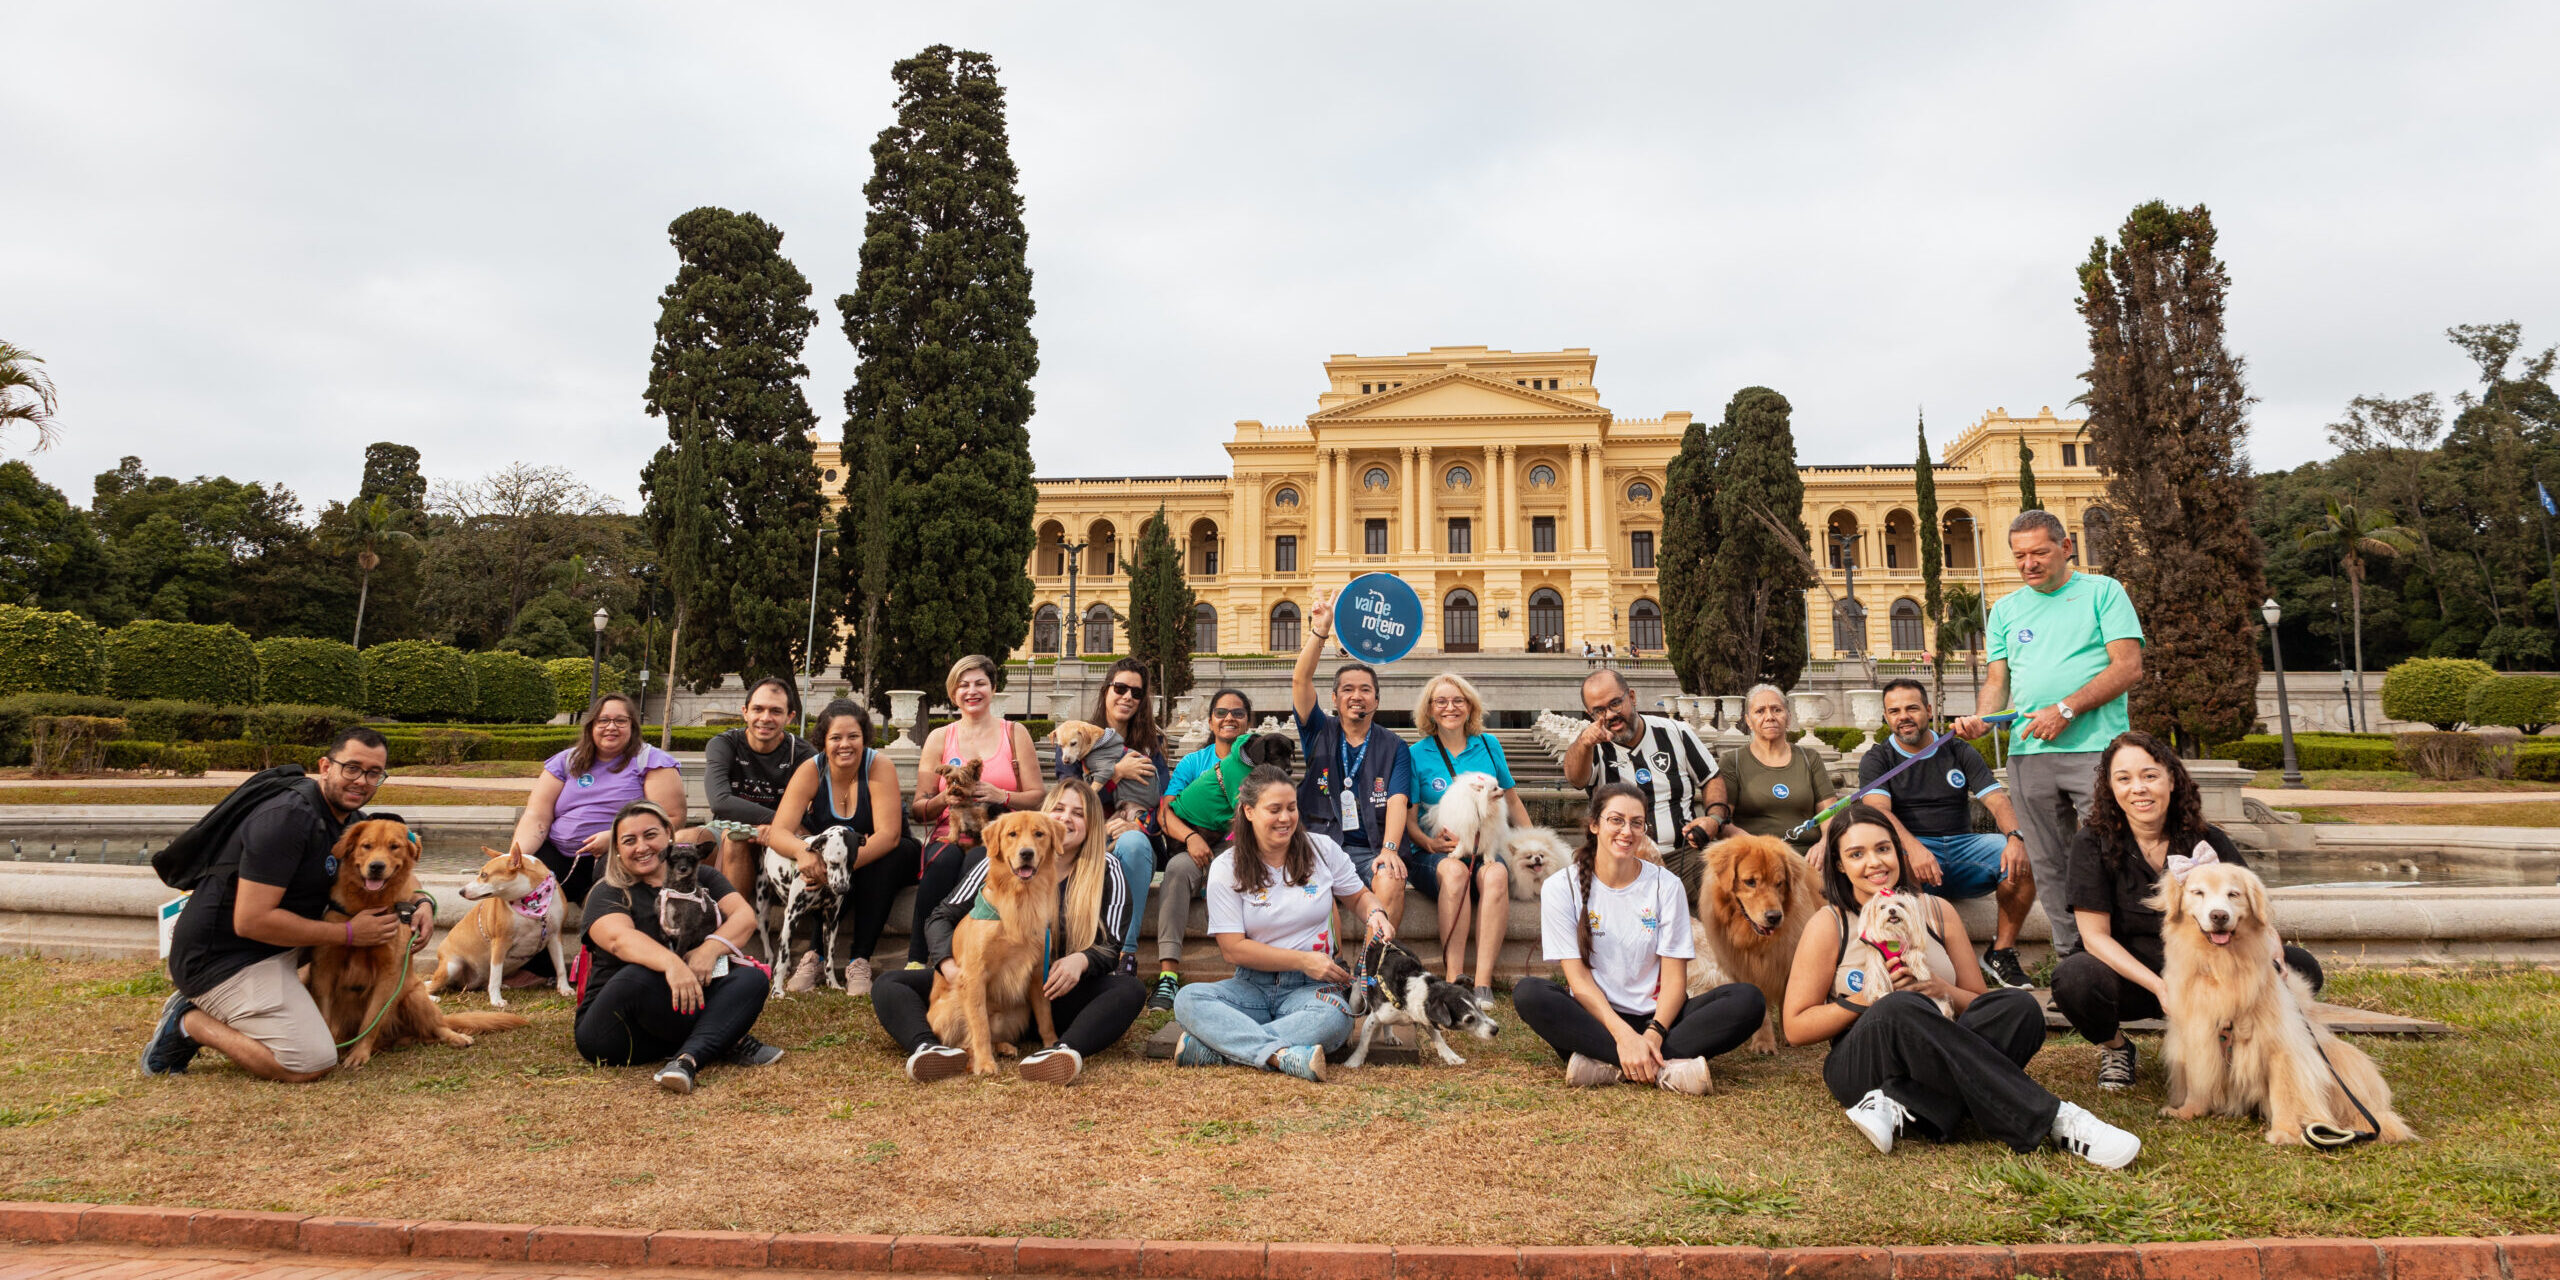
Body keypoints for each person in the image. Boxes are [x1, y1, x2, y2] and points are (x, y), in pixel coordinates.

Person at [1782, 803, 2139, 1169]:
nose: (1874, 862)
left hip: (1935, 1047)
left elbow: (1980, 1003)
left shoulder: (1937, 911)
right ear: (1840, 865)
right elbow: (1795, 1028)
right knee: (1899, 1007)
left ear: (1898, 852)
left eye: (1882, 848)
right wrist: (1865, 998)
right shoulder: (1829, 923)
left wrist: (1940, 989)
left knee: (2019, 1009)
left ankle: (1906, 1104)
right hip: (1863, 1062)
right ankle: (2056, 1120)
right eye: (1856, 854)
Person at [143, 727, 432, 1080]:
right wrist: (349, 935)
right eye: (352, 768)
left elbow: (397, 871)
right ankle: (189, 1022)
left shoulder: (349, 821)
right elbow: (250, 921)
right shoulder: (286, 819)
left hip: (282, 950)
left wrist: (422, 902)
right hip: (225, 958)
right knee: (309, 1061)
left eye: (374, 773)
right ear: (325, 766)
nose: (361, 781)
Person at [2050, 731, 2326, 1092]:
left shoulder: (2207, 838)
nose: (2139, 789)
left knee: (2300, 966)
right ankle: (2116, 1049)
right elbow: (2094, 936)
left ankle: (2233, 1044)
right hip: (2134, 976)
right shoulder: (2091, 843)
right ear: (2110, 789)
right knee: (2074, 980)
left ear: (2171, 779)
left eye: (2150, 776)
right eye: (2124, 779)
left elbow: (2250, 911)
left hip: (2207, 971)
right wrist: (2162, 987)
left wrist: (2272, 945)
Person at [1951, 509, 2145, 955]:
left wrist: (2066, 709)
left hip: (2097, 751)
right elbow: (1997, 682)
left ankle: (2131, 954)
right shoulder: (2005, 609)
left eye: (2039, 552)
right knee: (2047, 863)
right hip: (2028, 755)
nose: (2029, 564)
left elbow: (2129, 667)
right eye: (2020, 555)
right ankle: (2073, 962)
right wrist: (1982, 718)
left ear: (2066, 548)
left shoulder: (2104, 593)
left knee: (2116, 852)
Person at [875, 779, 1146, 1085]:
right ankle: (929, 1048)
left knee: (1130, 990)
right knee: (889, 983)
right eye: (1059, 808)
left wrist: (1081, 960)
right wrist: (948, 966)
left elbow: (1112, 946)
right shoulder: (997, 860)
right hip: (986, 989)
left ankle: (1061, 1052)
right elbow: (941, 916)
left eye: (1078, 813)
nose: (1066, 818)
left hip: (1056, 994)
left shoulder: (1106, 869)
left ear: (1092, 823)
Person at [1510, 784, 1766, 1094]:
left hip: (1659, 1020)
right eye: (1615, 820)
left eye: (1636, 823)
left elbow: (1674, 980)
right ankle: (1665, 1068)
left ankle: (1605, 1066)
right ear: (1594, 825)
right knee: (1530, 992)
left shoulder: (1665, 885)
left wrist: (1653, 1034)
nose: (1626, 831)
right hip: (1596, 1020)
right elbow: (1577, 980)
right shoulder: (1561, 886)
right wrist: (1623, 1037)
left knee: (1748, 1000)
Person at [1170, 764, 1395, 1082]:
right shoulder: (1227, 867)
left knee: (1335, 1020)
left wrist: (1376, 913)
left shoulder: (1322, 849)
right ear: (1248, 811)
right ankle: (1280, 1055)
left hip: (1312, 990)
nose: (1286, 818)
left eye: (1291, 808)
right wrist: (1304, 960)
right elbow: (1233, 950)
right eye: (1274, 809)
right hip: (1250, 986)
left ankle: (1217, 1049)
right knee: (1188, 1000)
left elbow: (1359, 898)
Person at [1840, 678, 2037, 991]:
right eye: (1894, 711)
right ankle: (1921, 959)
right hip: (1913, 849)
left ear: (1928, 710)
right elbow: (1880, 813)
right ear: (1886, 717)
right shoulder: (1878, 759)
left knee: (2020, 858)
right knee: (1896, 858)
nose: (1903, 716)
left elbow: (1997, 799)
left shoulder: (1957, 750)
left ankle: (2001, 952)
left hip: (1962, 848)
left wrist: (2015, 837)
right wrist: (1915, 848)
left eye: (1912, 708)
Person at [572, 801, 780, 1092]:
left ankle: (687, 1059)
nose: (642, 847)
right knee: (639, 974)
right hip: (616, 1030)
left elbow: (744, 918)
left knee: (752, 978)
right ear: (617, 850)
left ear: (669, 836)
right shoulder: (608, 891)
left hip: (674, 1018)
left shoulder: (704, 878)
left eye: (650, 835)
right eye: (629, 841)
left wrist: (709, 949)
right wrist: (672, 964)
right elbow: (620, 940)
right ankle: (727, 1038)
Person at [763, 699, 919, 996]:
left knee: (878, 860)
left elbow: (888, 835)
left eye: (853, 737)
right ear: (823, 740)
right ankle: (815, 958)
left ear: (865, 738)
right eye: (835, 737)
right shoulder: (811, 770)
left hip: (890, 856)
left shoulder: (879, 765)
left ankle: (859, 960)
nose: (844, 745)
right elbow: (779, 832)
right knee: (824, 860)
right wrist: (802, 853)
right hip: (836, 861)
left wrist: (834, 870)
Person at [1290, 589, 1416, 944]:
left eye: (1365, 689)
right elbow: (1301, 681)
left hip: (1370, 848)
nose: (1356, 695)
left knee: (1391, 877)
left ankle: (1369, 972)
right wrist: (1320, 631)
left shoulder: (1394, 746)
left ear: (1377, 699)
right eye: (1347, 689)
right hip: (1320, 842)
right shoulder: (1318, 730)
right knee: (1315, 886)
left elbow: (1397, 801)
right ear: (1334, 698)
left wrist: (1390, 849)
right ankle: (1333, 971)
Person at [906, 654, 1045, 969]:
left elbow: (1037, 797)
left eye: (980, 683)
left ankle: (964, 955)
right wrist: (944, 799)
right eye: (963, 685)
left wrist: (1002, 795)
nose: (972, 691)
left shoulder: (1014, 733)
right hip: (949, 832)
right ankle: (916, 958)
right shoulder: (940, 738)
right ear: (953, 693)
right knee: (940, 864)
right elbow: (919, 809)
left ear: (993, 688)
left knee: (974, 862)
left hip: (998, 836)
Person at [509, 694, 685, 938]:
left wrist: (615, 838)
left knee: (608, 893)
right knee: (519, 882)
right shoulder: (566, 761)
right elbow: (536, 817)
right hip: (561, 852)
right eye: (603, 720)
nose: (611, 727)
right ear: (591, 725)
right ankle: (529, 966)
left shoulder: (651, 761)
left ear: (633, 726)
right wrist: (516, 857)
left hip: (617, 855)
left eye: (620, 721)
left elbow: (672, 818)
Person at [1406, 672, 1525, 1002]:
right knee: (1456, 871)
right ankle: (1454, 979)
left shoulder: (1488, 745)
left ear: (1471, 707)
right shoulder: (1416, 754)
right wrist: (1428, 843)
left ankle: (1483, 983)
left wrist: (1527, 844)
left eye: (1458, 701)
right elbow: (1409, 817)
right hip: (1435, 854)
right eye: (1441, 701)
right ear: (1429, 710)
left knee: (1497, 873)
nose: (1450, 708)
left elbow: (1510, 799)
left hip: (1482, 847)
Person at [1562, 668, 1725, 901]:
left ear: (1632, 697)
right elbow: (1575, 778)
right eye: (1598, 711)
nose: (1608, 715)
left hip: (1682, 856)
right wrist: (1584, 743)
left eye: (1615, 703)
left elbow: (1711, 778)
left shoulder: (1675, 732)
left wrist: (1714, 819)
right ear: (1589, 714)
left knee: (1724, 887)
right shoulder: (1592, 746)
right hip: (1622, 860)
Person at [1055, 656, 1170, 966]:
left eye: (1137, 692)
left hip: (1137, 837)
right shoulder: (1073, 738)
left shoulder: (1151, 744)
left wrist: (1139, 826)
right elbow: (1070, 797)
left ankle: (1124, 954)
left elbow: (1163, 803)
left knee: (1132, 844)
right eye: (1120, 688)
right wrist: (1116, 773)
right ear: (1105, 690)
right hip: (1088, 836)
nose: (1127, 697)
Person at [1150, 687, 1256, 1011]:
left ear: (1248, 722)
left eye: (1238, 713)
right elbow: (1164, 812)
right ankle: (1168, 976)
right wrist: (1190, 838)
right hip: (1193, 844)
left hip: (1236, 849)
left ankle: (1247, 974)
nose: (1229, 718)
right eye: (1221, 712)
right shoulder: (1194, 761)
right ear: (1210, 721)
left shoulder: (1255, 764)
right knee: (1178, 869)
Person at [703, 676, 819, 926]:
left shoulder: (803, 754)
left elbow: (813, 812)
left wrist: (779, 830)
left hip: (778, 837)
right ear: (745, 712)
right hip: (744, 824)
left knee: (735, 840)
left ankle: (733, 936)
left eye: (776, 711)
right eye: (758, 709)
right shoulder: (724, 744)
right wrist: (779, 821)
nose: (765, 717)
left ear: (790, 717)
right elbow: (721, 803)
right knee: (682, 842)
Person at [1719, 684, 1834, 856]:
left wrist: (1825, 844)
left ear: (1788, 717)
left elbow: (1830, 812)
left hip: (1808, 856)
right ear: (1748, 721)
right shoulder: (1732, 761)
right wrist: (1754, 846)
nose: (1769, 717)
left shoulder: (1809, 758)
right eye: (1760, 711)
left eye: (1776, 710)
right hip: (1754, 855)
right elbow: (1721, 821)